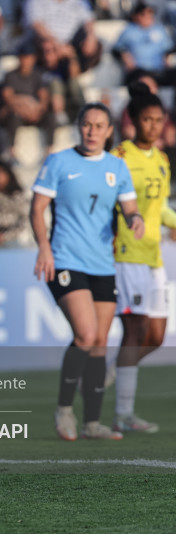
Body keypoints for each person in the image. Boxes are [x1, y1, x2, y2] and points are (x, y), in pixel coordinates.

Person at [30, 102, 145, 442]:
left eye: (99, 126)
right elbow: (37, 210)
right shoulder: (59, 162)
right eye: (87, 124)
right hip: (65, 260)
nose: (92, 131)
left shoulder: (117, 167)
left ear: (110, 131)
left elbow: (129, 207)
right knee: (86, 334)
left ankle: (92, 423)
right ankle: (64, 409)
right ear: (79, 127)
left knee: (99, 344)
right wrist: (44, 248)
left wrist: (134, 218)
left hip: (102, 266)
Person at [110, 83, 176, 433]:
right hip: (126, 254)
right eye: (147, 119)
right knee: (134, 331)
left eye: (158, 119)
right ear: (134, 121)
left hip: (153, 257)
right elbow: (109, 203)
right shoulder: (120, 156)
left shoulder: (163, 161)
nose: (153, 125)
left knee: (156, 336)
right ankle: (123, 415)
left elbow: (160, 210)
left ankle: (114, 367)